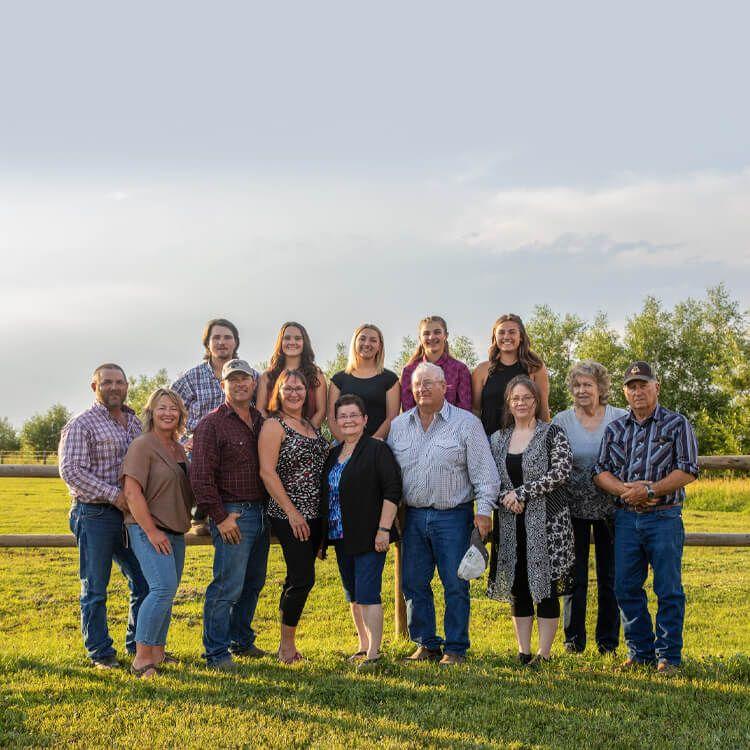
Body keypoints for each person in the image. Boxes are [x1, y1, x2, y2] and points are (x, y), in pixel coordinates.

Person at [388, 362, 499, 666]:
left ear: (444, 386)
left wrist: (485, 510)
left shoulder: (465, 424)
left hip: (453, 515)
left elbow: (484, 473)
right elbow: (390, 476)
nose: (423, 389)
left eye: (429, 383)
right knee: (413, 582)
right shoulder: (399, 427)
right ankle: (426, 644)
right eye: (418, 384)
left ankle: (455, 648)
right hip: (412, 517)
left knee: (455, 583)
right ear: (411, 389)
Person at [594, 361, 699, 675]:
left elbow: (688, 469)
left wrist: (651, 490)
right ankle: (640, 653)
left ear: (657, 387)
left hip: (663, 517)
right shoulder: (615, 428)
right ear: (625, 392)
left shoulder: (676, 424)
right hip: (626, 518)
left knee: (668, 589)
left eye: (643, 385)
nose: (637, 391)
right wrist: (625, 491)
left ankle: (669, 656)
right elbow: (600, 471)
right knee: (625, 587)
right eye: (631, 386)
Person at [478, 375, 574, 666]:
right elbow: (489, 477)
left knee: (544, 586)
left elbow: (561, 472)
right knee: (518, 586)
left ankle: (544, 654)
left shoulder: (552, 433)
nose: (521, 403)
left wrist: (522, 493)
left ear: (536, 402)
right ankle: (524, 651)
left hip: (546, 522)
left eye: (527, 398)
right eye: (515, 398)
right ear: (509, 402)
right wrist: (508, 496)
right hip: (510, 523)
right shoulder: (497, 438)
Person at [59, 363, 148, 669]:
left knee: (144, 581)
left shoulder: (135, 424)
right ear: (94, 386)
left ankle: (138, 645)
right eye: (107, 382)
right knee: (96, 587)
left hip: (129, 516)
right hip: (95, 513)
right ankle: (100, 652)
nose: (114, 387)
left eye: (119, 382)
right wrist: (116, 496)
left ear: (127, 386)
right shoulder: (81, 424)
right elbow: (71, 471)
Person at [190, 359, 270, 671]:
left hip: (261, 512)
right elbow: (200, 477)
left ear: (253, 384)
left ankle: (241, 639)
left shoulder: (260, 421)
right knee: (227, 585)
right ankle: (216, 652)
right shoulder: (211, 424)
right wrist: (220, 517)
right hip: (234, 514)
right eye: (232, 379)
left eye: (245, 379)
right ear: (222, 385)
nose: (240, 384)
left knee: (253, 582)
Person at [320, 394, 402, 666]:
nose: (348, 420)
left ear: (365, 419)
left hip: (370, 535)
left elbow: (392, 490)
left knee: (367, 593)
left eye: (354, 415)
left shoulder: (377, 449)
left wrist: (383, 530)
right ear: (336, 421)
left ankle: (374, 653)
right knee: (353, 595)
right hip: (341, 535)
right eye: (343, 416)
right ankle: (362, 644)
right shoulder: (334, 453)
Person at [552, 361, 628, 655]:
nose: (582, 390)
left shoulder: (619, 417)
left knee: (611, 577)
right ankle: (574, 642)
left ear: (601, 388)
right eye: (577, 385)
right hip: (572, 508)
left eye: (588, 385)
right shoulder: (562, 421)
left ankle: (608, 643)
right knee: (575, 578)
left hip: (613, 506)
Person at [121, 388, 195, 678]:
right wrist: (151, 531)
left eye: (173, 408)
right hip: (148, 528)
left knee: (168, 590)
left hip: (175, 529)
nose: (168, 413)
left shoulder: (178, 448)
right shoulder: (143, 445)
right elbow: (131, 491)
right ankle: (141, 659)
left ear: (180, 414)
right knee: (161, 588)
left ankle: (159, 652)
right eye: (162, 408)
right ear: (151, 412)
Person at [258, 369, 330, 663]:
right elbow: (267, 471)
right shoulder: (274, 426)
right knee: (303, 578)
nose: (294, 392)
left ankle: (285, 643)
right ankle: (287, 647)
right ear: (278, 391)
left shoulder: (310, 426)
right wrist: (292, 512)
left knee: (295, 578)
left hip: (315, 514)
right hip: (289, 513)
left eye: (300, 388)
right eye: (288, 388)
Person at [172, 318, 258, 535]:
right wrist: (182, 440)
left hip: (237, 441)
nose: (222, 342)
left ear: (235, 343)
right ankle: (201, 513)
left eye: (227, 337)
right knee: (200, 465)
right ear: (207, 344)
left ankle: (257, 514)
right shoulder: (192, 377)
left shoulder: (251, 375)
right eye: (216, 338)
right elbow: (168, 409)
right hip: (202, 441)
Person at [472, 314, 551, 435]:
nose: (506, 336)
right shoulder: (482, 370)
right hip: (488, 442)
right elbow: (475, 411)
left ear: (521, 337)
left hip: (526, 441)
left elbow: (543, 409)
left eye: (512, 332)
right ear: (495, 337)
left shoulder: (535, 368)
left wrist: (546, 440)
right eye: (501, 332)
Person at [328, 323, 400, 442]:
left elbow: (391, 418)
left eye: (373, 340)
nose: (367, 344)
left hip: (378, 445)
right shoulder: (338, 379)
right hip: (343, 445)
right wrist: (348, 446)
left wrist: (370, 447)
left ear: (379, 346)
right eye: (362, 339)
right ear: (355, 343)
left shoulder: (390, 379)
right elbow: (331, 418)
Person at [256, 322, 327, 428]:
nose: (292, 342)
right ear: (281, 342)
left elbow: (321, 411)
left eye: (298, 338)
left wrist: (304, 434)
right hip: (274, 437)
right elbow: (260, 410)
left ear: (304, 343)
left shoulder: (316, 375)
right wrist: (275, 431)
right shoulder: (267, 376)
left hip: (309, 436)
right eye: (287, 338)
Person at [400, 315, 472, 412]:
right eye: (426, 333)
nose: (432, 337)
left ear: (446, 335)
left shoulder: (460, 370)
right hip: (418, 426)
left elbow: (464, 410)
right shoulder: (409, 371)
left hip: (455, 426)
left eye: (437, 332)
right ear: (420, 338)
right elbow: (408, 411)